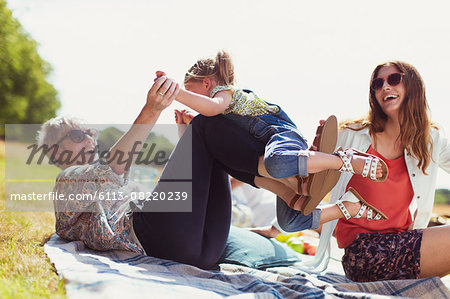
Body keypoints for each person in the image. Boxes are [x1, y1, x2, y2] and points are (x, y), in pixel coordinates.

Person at [158, 50, 388, 215]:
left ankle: (341, 160)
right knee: (291, 217)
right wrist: (184, 127)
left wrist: (175, 91)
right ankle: (304, 191)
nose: (192, 103)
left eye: (193, 93)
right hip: (263, 154)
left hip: (279, 135)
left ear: (207, 84)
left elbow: (213, 107)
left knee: (276, 163)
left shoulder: (224, 93)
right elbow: (197, 150)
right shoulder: (215, 122)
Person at [298, 61, 450, 282]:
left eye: (394, 79)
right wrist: (276, 227)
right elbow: (303, 175)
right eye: (377, 84)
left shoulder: (429, 140)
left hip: (404, 240)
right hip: (363, 251)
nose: (385, 87)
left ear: (414, 86)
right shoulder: (351, 134)